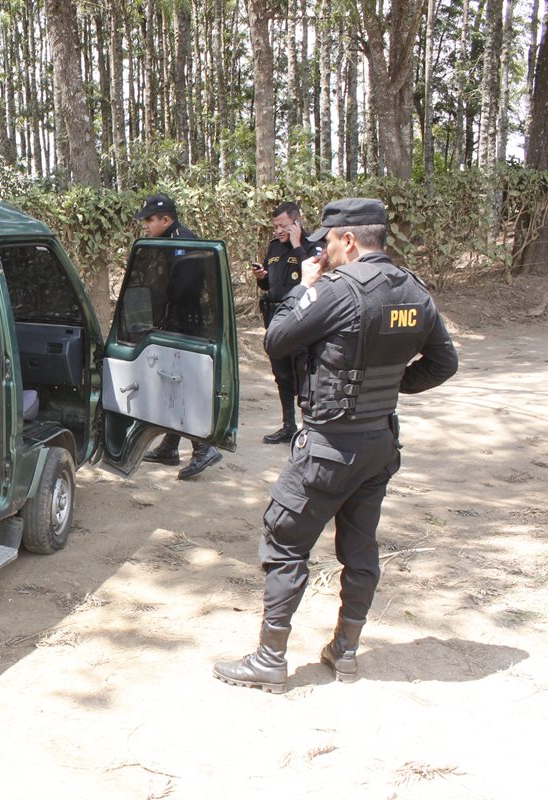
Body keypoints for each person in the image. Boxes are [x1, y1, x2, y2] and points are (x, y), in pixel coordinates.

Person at [213, 198, 458, 693]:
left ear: (349, 240)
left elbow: (277, 338)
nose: (322, 249)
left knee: (285, 542)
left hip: (329, 447)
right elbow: (443, 363)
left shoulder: (338, 291)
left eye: (328, 241)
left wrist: (304, 285)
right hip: (378, 444)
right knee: (361, 548)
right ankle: (345, 651)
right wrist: (386, 388)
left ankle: (269, 660)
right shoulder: (414, 290)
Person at [133, 193, 223, 480]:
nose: (145, 225)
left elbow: (182, 290)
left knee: (181, 385)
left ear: (166, 220)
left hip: (186, 325)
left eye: (149, 220)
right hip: (174, 323)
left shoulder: (184, 241)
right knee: (170, 383)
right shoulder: (169, 241)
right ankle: (170, 446)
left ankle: (203, 448)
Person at [251, 202, 317, 444]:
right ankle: (288, 425)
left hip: (300, 319)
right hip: (275, 318)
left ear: (297, 223)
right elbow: (270, 286)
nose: (278, 231)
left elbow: (313, 276)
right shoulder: (274, 248)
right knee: (281, 374)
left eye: (284, 226)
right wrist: (262, 279)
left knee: (304, 374)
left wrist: (298, 245)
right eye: (275, 226)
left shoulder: (312, 246)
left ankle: (309, 428)